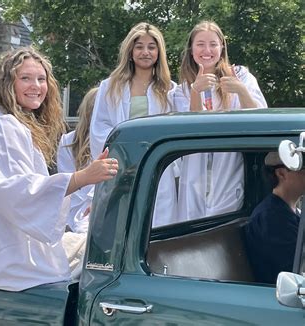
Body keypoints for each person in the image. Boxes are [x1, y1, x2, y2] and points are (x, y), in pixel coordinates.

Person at [0, 47, 118, 292]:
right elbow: (19, 192)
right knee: (100, 258)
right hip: (0, 257)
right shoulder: (2, 128)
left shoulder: (17, 126)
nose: (36, 86)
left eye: (41, 79)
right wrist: (83, 177)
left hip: (12, 244)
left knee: (92, 248)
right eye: (25, 78)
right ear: (7, 83)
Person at [175, 21, 268, 221]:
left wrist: (240, 90)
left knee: (223, 228)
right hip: (195, 173)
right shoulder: (181, 90)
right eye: (200, 44)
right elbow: (189, 131)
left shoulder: (242, 76)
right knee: (192, 230)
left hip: (229, 169)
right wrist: (195, 92)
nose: (206, 50)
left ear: (222, 47)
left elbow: (262, 119)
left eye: (213, 44)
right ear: (191, 49)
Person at [89, 22, 179, 227]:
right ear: (130, 51)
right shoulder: (110, 87)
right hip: (122, 168)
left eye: (151, 47)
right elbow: (99, 128)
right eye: (139, 46)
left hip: (158, 168)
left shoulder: (170, 90)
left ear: (159, 52)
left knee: (157, 225)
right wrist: (123, 156)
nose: (145, 52)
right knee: (121, 224)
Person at [244, 152, 304, 284]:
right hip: (279, 297)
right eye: (303, 169)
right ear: (281, 173)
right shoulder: (271, 217)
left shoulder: (291, 212)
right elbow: (296, 268)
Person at [57, 87, 98, 233]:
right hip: (78, 217)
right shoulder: (68, 141)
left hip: (84, 214)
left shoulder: (67, 141)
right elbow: (68, 182)